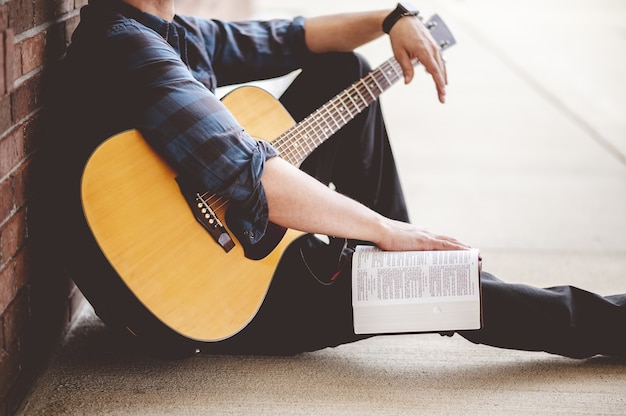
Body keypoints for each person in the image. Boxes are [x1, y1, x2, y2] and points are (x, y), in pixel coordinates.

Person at [49, 0, 625, 359]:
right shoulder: (127, 46)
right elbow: (250, 175)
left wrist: (390, 19)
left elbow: (291, 37)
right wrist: (386, 231)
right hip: (204, 296)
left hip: (221, 242)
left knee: (339, 70)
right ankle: (607, 325)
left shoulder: (171, 30)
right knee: (433, 287)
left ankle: (400, 257)